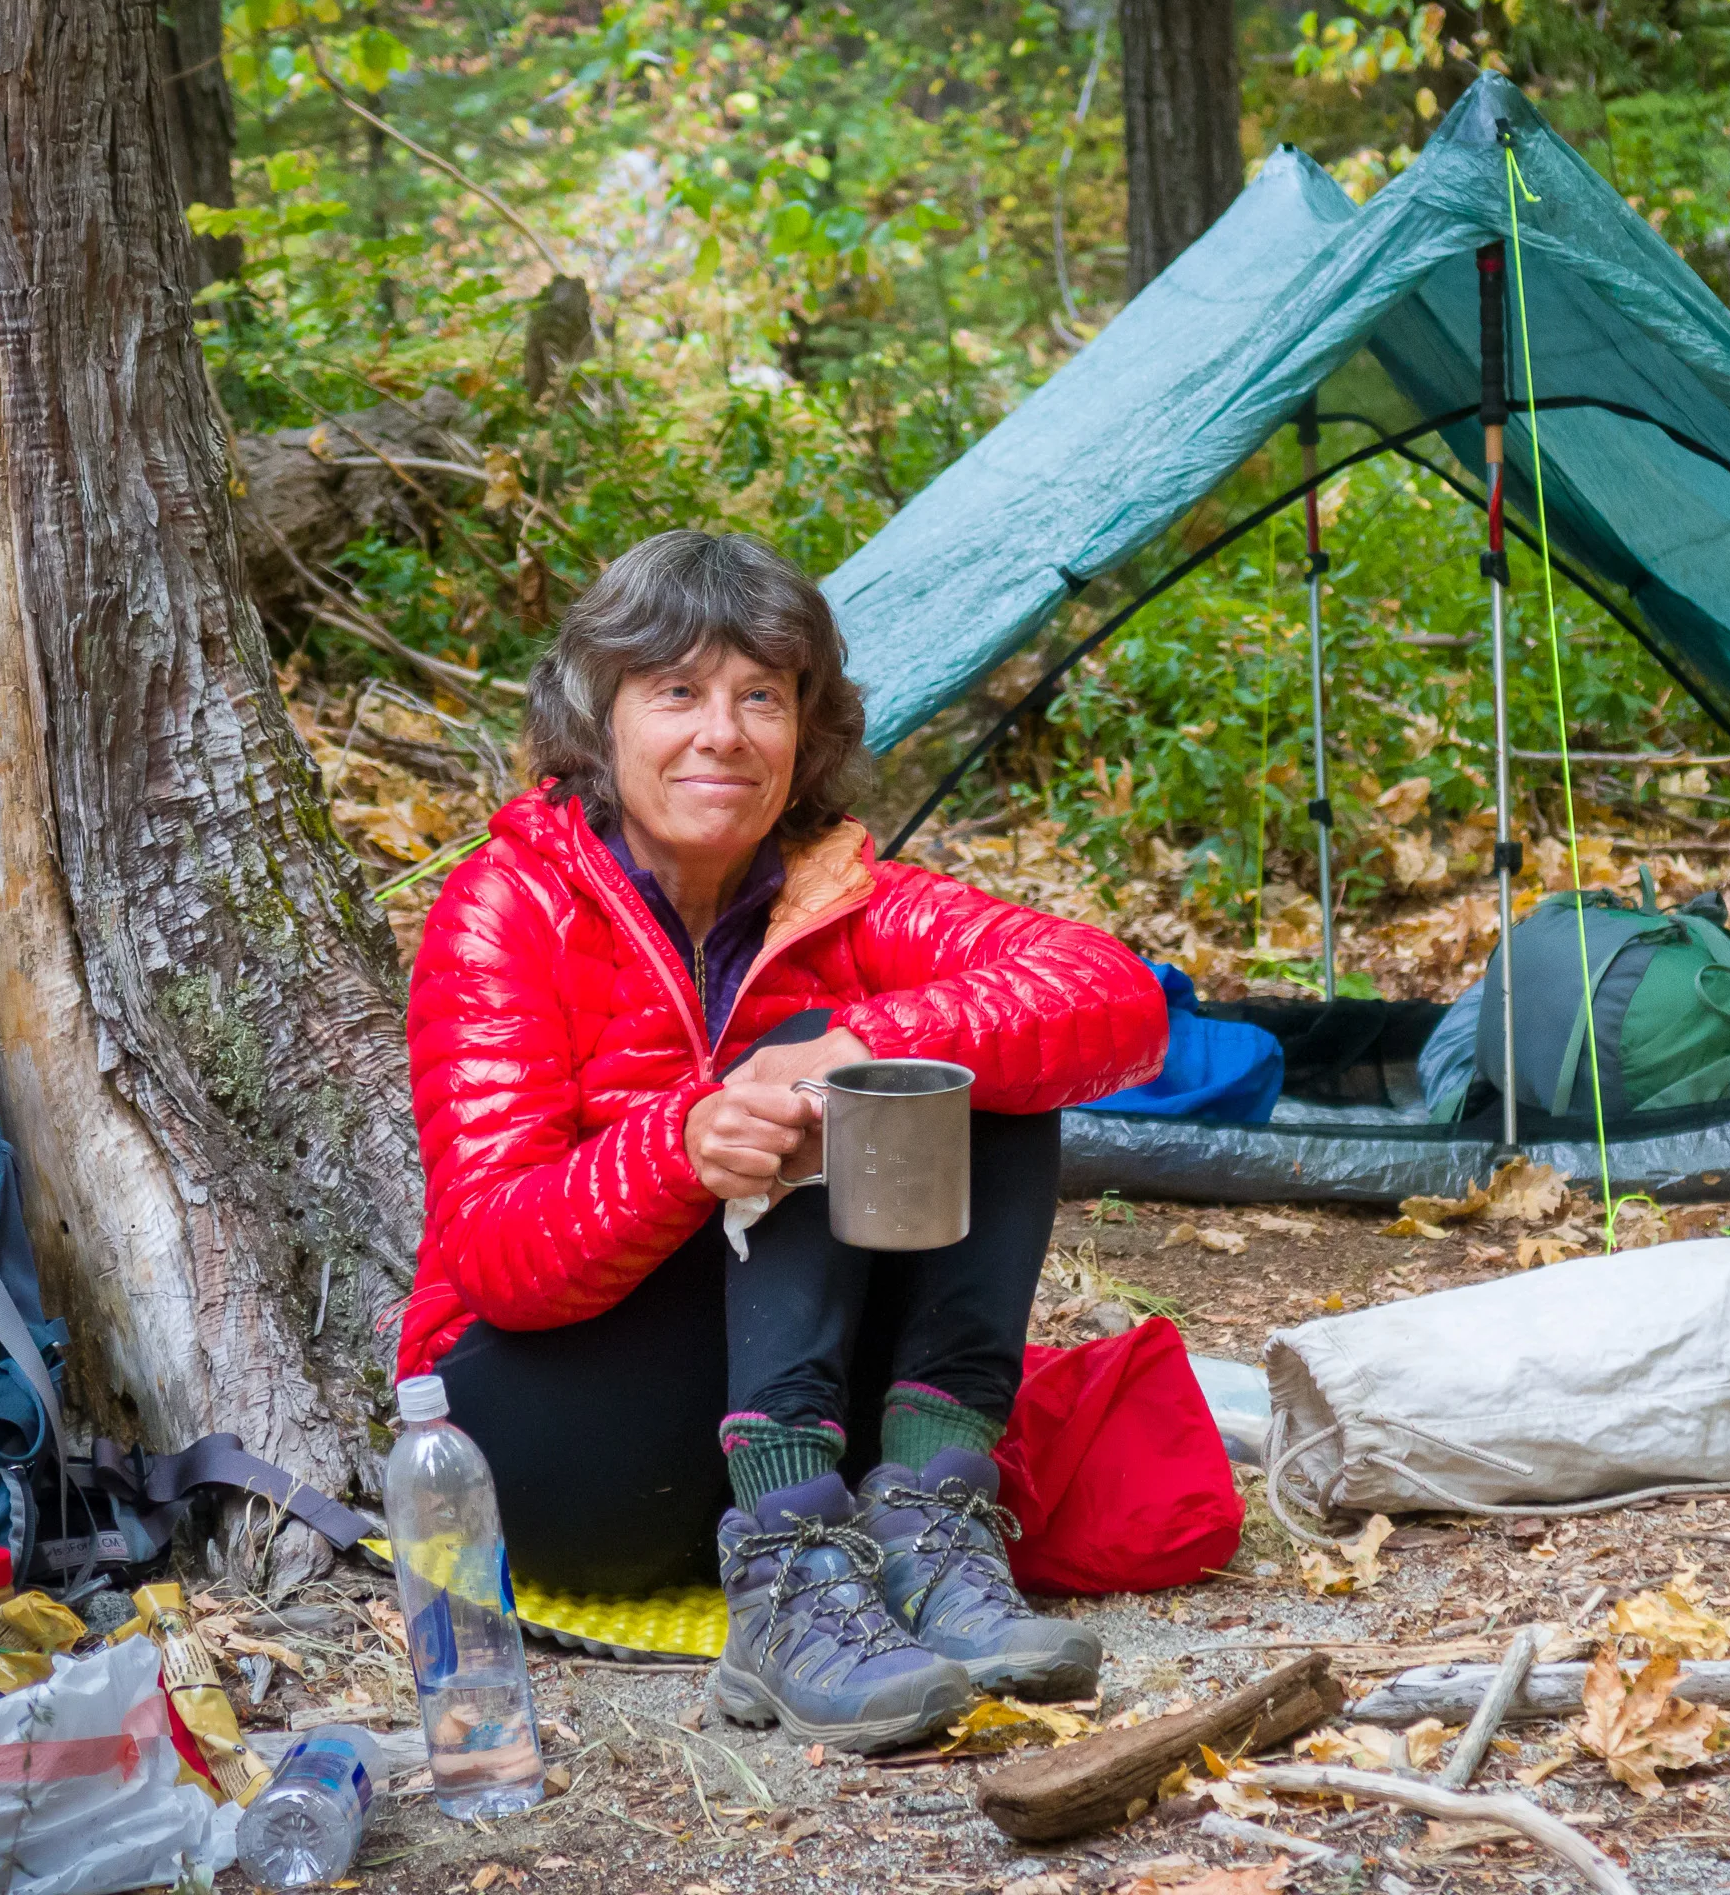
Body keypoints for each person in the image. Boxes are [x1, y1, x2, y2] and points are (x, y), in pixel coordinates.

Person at [400, 531, 1167, 1752]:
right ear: (601, 720)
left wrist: (842, 1051)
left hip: (792, 1403)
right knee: (810, 1061)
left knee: (947, 1056)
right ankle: (786, 1571)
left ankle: (927, 1524)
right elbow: (494, 1256)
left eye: (763, 694)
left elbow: (1111, 992)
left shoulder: (840, 891)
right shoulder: (508, 904)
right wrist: (683, 1146)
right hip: (549, 1448)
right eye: (678, 692)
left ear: (805, 729)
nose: (725, 731)